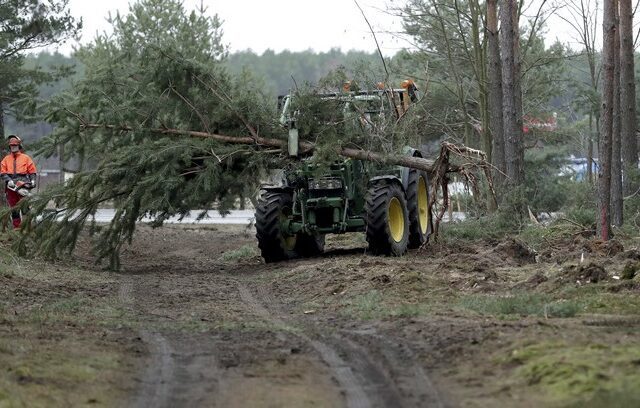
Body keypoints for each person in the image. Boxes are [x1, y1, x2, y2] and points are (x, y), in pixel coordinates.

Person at [1, 135, 37, 229]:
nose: (13, 147)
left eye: (15, 145)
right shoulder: (6, 159)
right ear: (10, 147)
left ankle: (28, 227)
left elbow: (32, 171)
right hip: (11, 186)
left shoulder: (26, 158)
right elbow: (2, 172)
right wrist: (8, 180)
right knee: (14, 209)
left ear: (19, 146)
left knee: (25, 207)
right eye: (12, 146)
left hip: (23, 184)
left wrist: (32, 180)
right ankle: (17, 228)